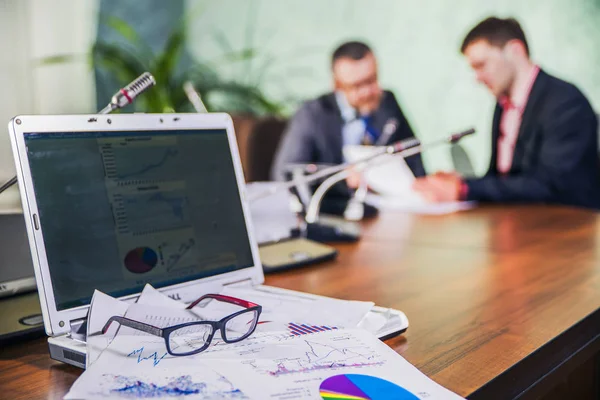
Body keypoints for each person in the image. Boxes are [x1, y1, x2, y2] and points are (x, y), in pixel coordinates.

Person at [413, 17, 600, 210]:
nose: (477, 78)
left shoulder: (565, 102)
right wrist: (461, 181)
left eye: (481, 65)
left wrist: (465, 188)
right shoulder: (502, 104)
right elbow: (503, 179)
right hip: (519, 223)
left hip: (568, 227)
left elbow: (549, 186)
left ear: (515, 51)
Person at [271, 41, 426, 189]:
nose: (367, 92)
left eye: (372, 80)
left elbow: (415, 165)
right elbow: (285, 175)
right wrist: (342, 178)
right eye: (356, 86)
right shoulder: (312, 114)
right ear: (337, 85)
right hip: (331, 209)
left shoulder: (387, 103)